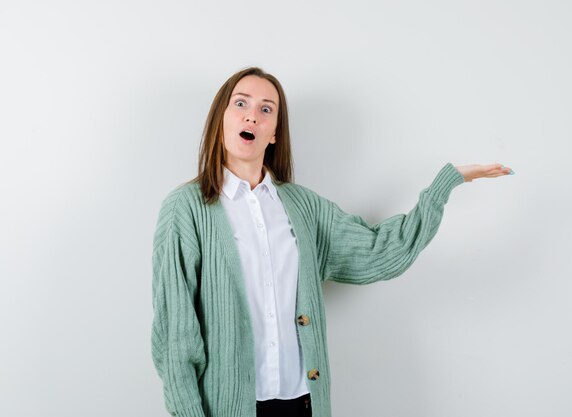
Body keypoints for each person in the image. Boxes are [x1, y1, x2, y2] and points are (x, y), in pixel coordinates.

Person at [151, 66, 514, 417]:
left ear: (275, 132)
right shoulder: (185, 210)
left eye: (266, 110)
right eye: (241, 104)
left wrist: (443, 186)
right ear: (222, 119)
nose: (252, 117)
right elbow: (176, 337)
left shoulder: (303, 207)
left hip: (304, 404)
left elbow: (381, 250)